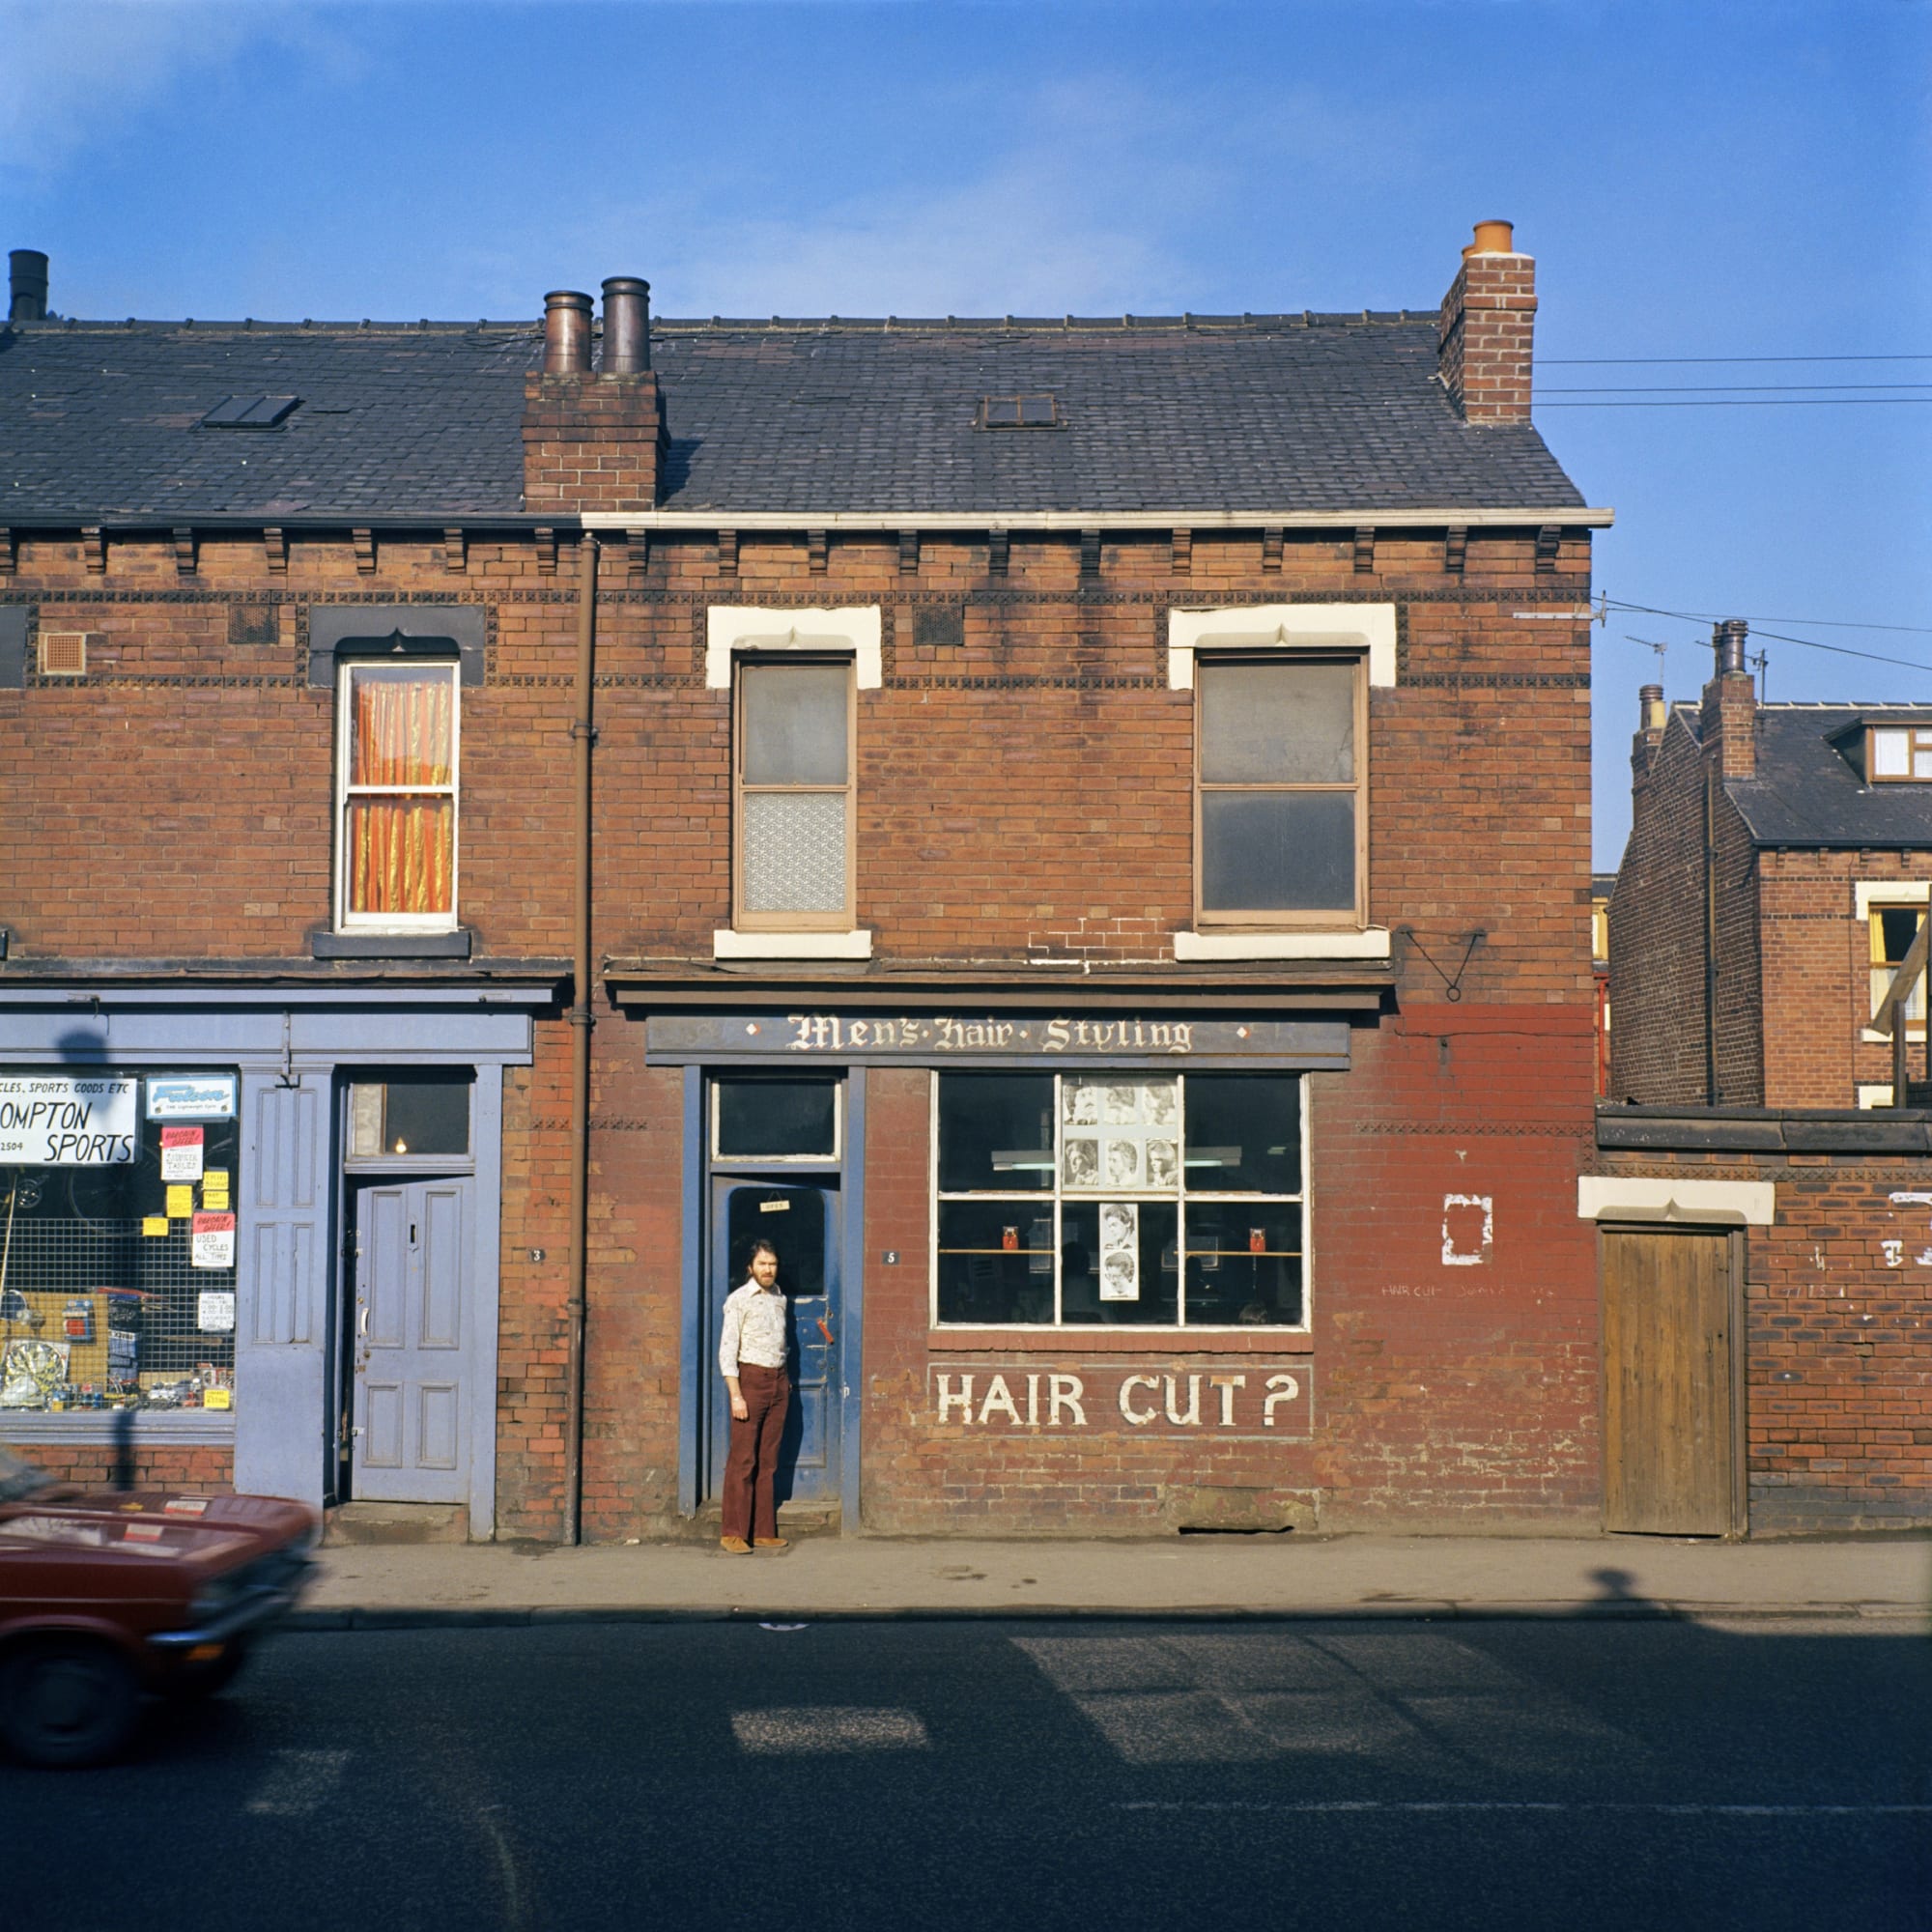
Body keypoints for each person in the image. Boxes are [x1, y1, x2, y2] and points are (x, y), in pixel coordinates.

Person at [718, 1238, 790, 1553]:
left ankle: (762, 1531)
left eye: (772, 1264)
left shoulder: (779, 1298)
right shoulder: (738, 1300)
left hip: (778, 1382)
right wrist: (737, 1396)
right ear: (750, 1267)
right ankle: (733, 1533)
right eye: (762, 1264)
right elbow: (727, 1352)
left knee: (768, 1462)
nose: (768, 1269)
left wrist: (783, 1381)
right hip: (750, 1381)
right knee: (743, 1461)